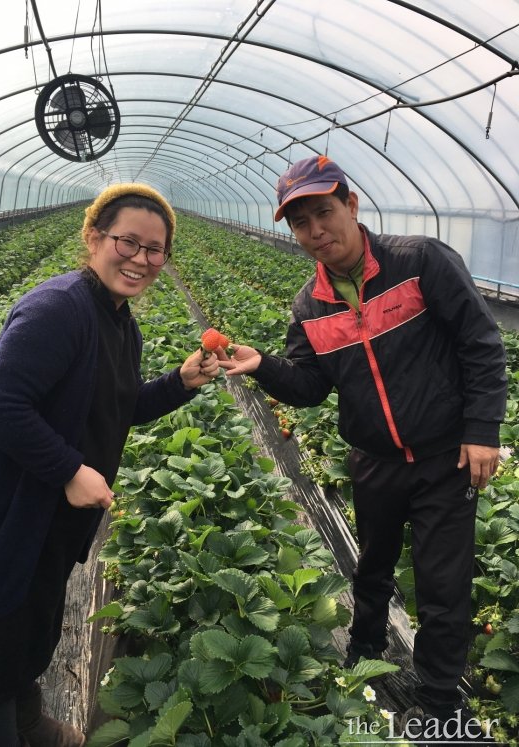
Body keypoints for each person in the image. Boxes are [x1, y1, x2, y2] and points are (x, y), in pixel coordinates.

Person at [218, 155, 507, 736]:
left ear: (350, 205)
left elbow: (480, 342)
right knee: (372, 566)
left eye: (324, 212)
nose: (315, 231)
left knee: (442, 583)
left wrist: (482, 431)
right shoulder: (309, 305)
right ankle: (366, 651)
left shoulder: (420, 262)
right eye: (301, 223)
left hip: (444, 456)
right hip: (374, 460)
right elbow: (309, 387)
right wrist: (263, 365)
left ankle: (438, 699)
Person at [0, 183, 221, 747]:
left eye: (155, 249)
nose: (141, 259)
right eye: (128, 242)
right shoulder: (58, 308)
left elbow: (118, 408)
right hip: (2, 513)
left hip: (47, 518)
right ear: (94, 237)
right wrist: (69, 470)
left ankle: (28, 722)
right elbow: (2, 404)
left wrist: (180, 382)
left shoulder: (121, 323)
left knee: (28, 627)